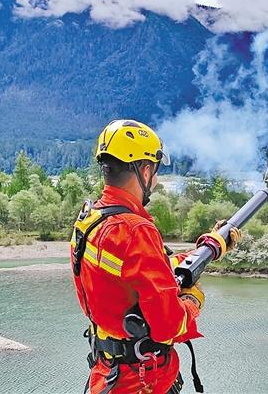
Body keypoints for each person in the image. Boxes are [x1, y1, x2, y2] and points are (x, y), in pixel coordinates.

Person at [70, 119, 239, 394]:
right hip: (141, 382)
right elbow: (169, 326)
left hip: (108, 373)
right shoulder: (135, 231)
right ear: (145, 170)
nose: (156, 180)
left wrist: (210, 246)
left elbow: (147, 269)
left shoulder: (90, 221)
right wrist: (192, 301)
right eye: (155, 171)